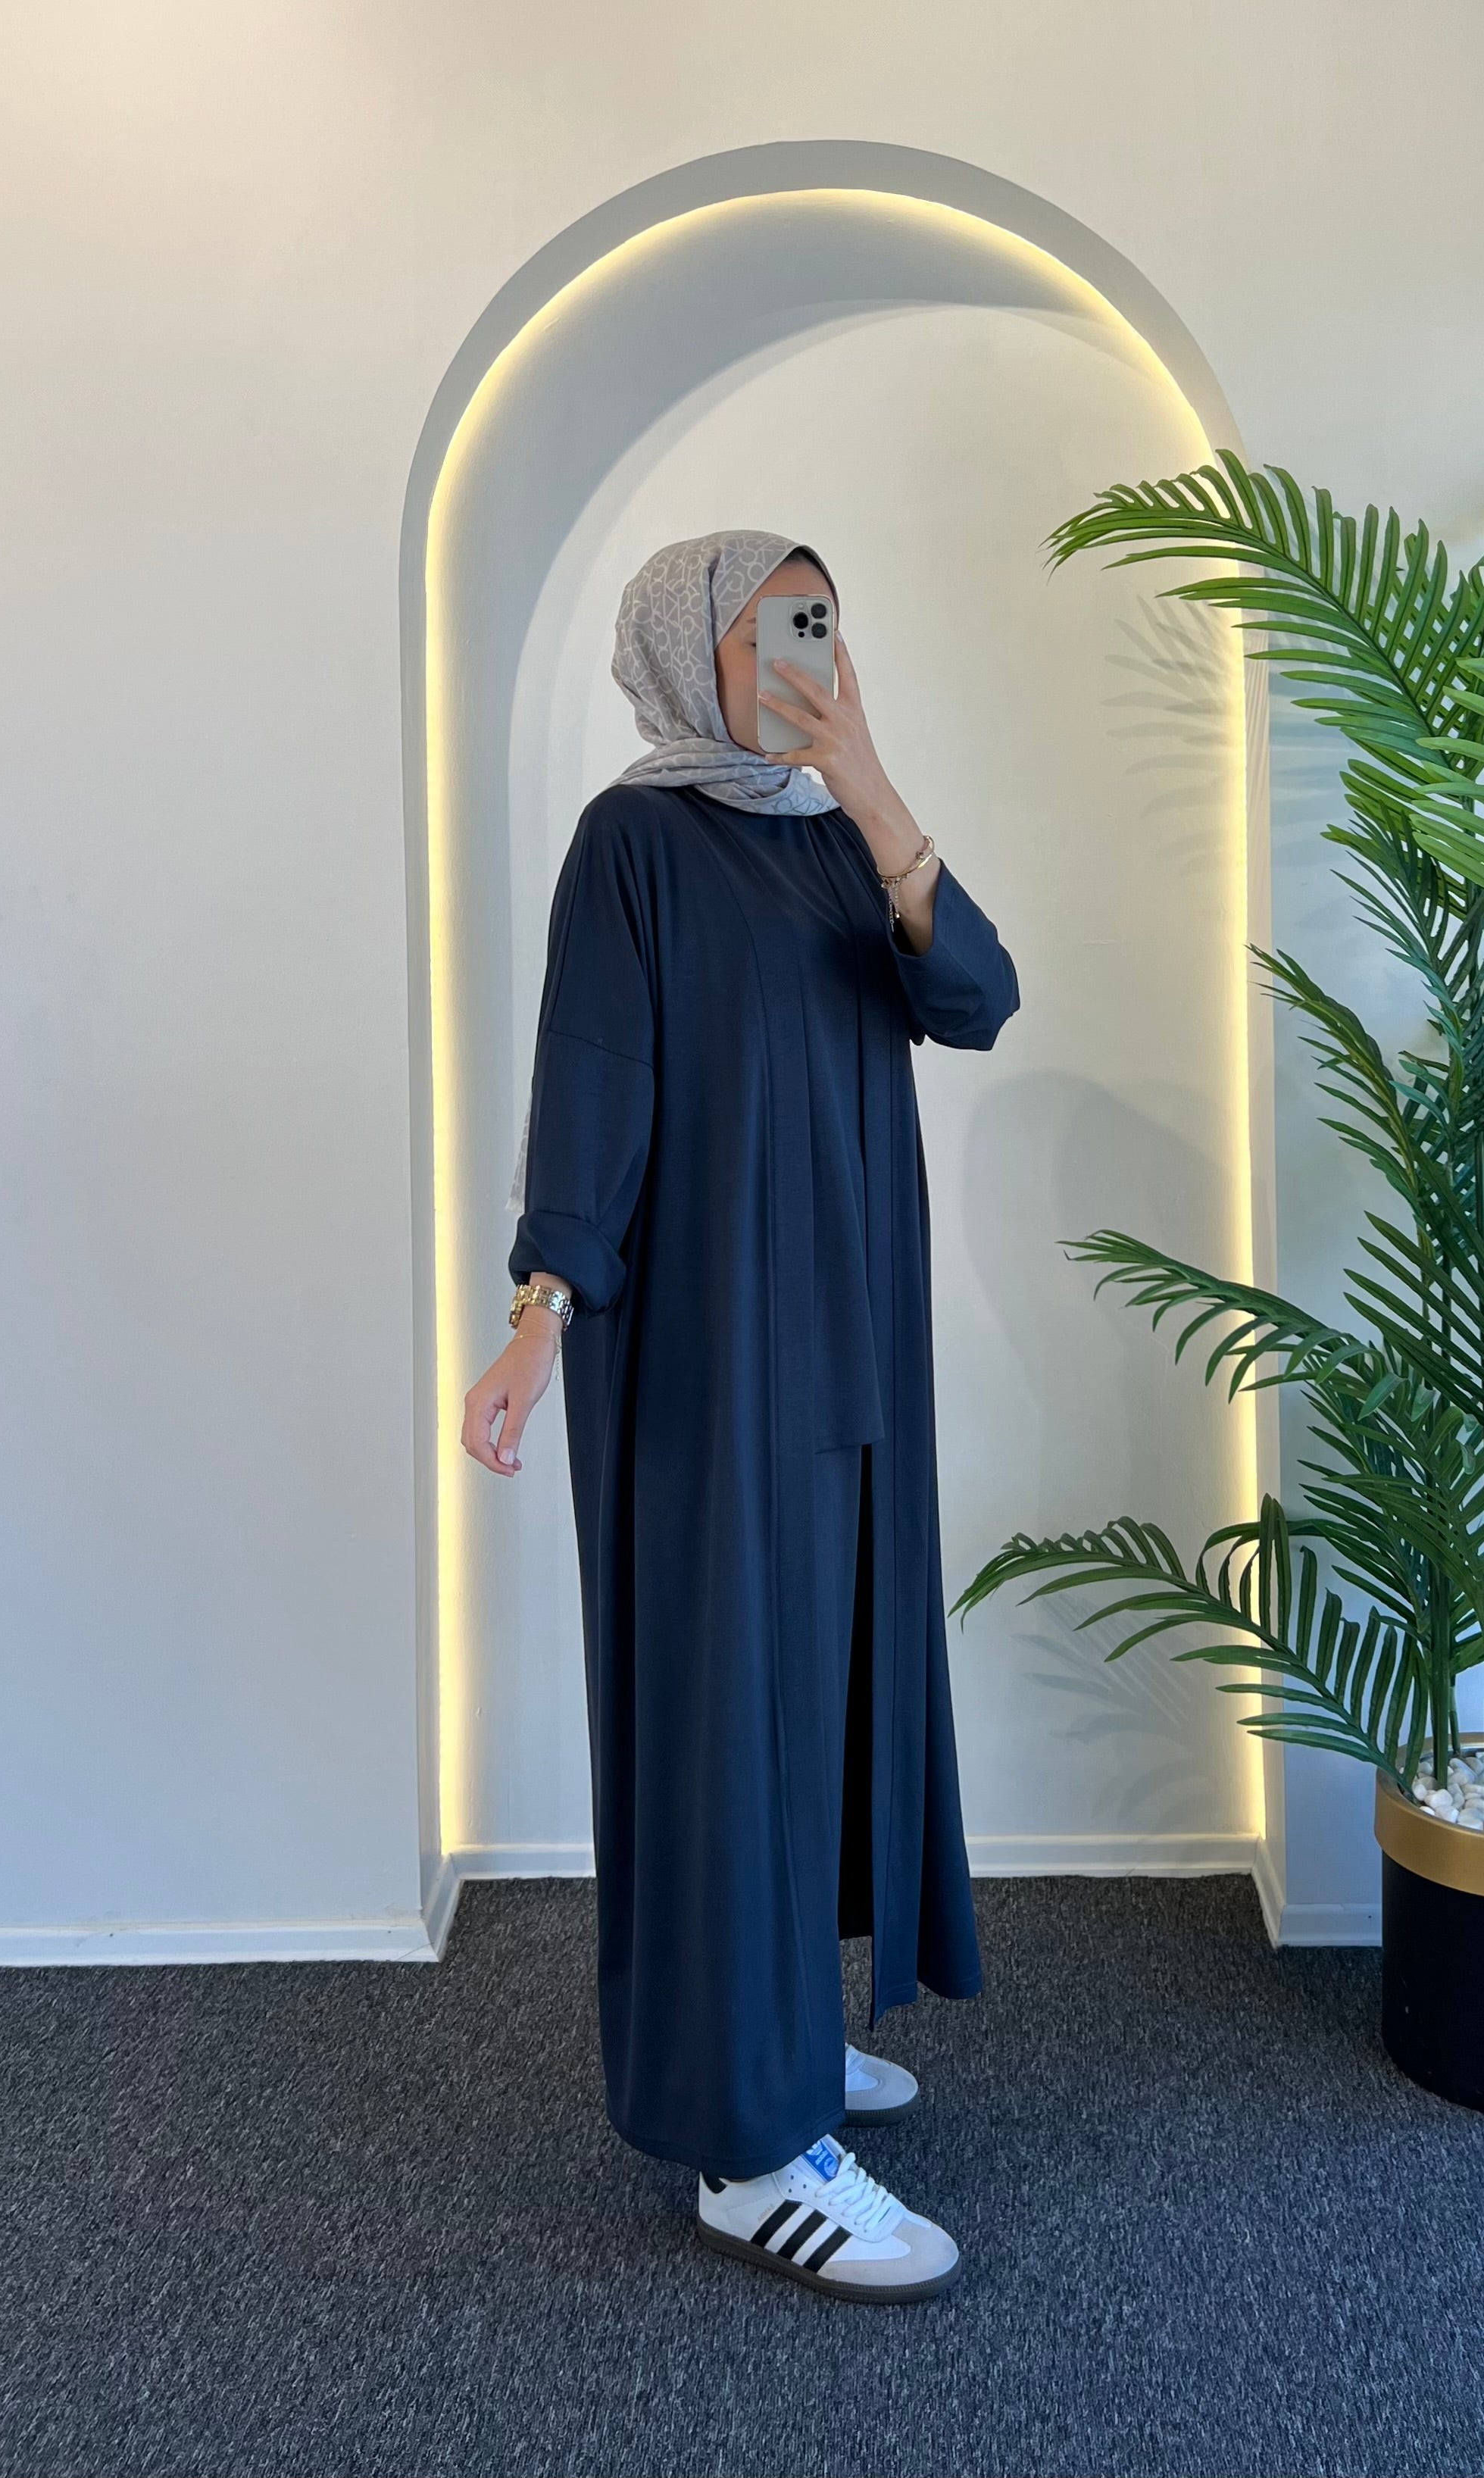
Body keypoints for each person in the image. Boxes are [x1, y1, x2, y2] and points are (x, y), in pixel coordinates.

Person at [461, 532, 1020, 2303]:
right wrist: (538, 1317)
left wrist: (873, 784)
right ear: (684, 648)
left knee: (816, 1691)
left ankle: (773, 2027)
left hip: (851, 1351)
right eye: (772, 626)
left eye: (822, 622)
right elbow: (592, 1088)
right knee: (722, 1714)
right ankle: (748, 2151)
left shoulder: (837, 836)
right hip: (707, 1363)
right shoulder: (633, 844)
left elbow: (977, 999)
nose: (805, 654)